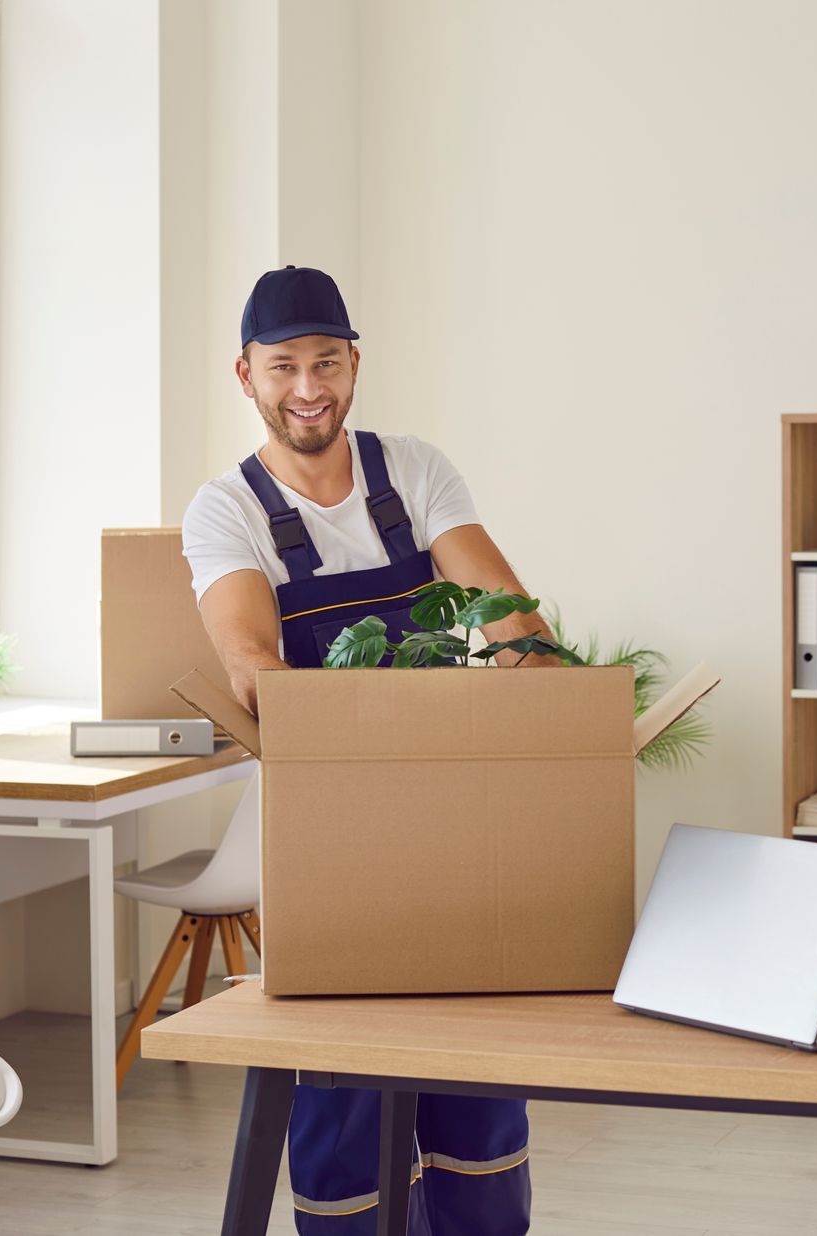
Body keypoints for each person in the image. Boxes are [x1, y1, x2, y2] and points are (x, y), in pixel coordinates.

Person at [183, 265, 551, 1234]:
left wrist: (546, 710)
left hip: (454, 825)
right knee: (343, 1082)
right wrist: (374, 741)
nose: (309, 387)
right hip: (326, 836)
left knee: (474, 1072)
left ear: (355, 364)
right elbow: (251, 667)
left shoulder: (414, 472)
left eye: (327, 363)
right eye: (285, 366)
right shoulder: (226, 511)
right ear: (246, 375)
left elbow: (513, 620)